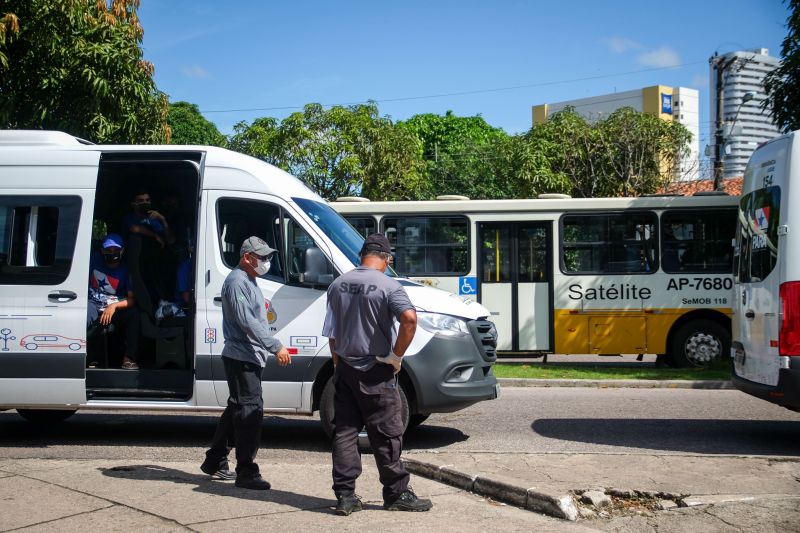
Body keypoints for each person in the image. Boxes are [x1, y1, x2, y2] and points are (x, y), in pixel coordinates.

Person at [322, 233, 433, 515]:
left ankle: (345, 496)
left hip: (345, 369)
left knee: (345, 433)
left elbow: (331, 333)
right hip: (377, 371)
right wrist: (396, 356)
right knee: (386, 433)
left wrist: (338, 365)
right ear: (386, 258)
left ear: (362, 256)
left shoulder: (337, 285)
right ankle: (396, 493)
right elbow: (409, 319)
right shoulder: (389, 285)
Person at [201, 236, 292, 490]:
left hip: (249, 356)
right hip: (241, 356)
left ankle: (215, 459)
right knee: (250, 413)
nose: (266, 262)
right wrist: (274, 346)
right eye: (262, 257)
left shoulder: (249, 279)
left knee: (237, 408)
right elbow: (247, 322)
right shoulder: (237, 281)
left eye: (267, 257)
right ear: (247, 257)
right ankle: (246, 471)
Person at [87, 234, 140, 369]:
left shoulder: (126, 269)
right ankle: (89, 359)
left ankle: (128, 359)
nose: (112, 254)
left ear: (122, 251)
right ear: (102, 251)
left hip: (115, 306)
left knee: (134, 315)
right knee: (84, 314)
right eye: (108, 251)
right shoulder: (93, 259)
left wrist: (114, 306)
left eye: (115, 250)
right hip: (92, 302)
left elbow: (131, 300)